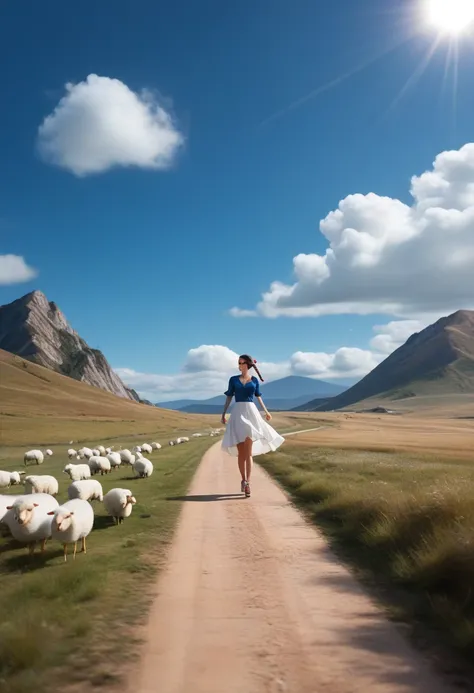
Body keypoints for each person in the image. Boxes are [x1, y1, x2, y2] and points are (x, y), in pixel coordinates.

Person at [220, 354, 285, 497]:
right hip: (237, 414)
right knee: (241, 453)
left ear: (248, 365)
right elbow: (229, 396)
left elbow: (258, 396)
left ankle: (248, 482)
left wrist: (266, 411)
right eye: (239, 363)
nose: (239, 365)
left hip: (251, 413)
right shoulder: (233, 380)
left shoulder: (254, 380)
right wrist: (224, 413)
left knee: (248, 452)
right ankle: (242, 480)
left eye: (242, 362)